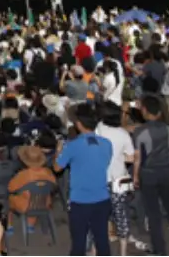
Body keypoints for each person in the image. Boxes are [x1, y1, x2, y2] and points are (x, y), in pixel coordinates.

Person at [132, 95, 169, 256]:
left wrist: (135, 177)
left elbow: (138, 158)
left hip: (148, 173)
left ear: (144, 111)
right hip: (166, 172)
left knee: (153, 214)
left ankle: (160, 249)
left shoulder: (140, 132)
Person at [56, 103, 114, 256]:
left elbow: (57, 168)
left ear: (79, 124)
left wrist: (58, 151)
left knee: (79, 243)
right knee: (102, 240)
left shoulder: (72, 146)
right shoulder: (107, 144)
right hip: (102, 198)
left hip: (80, 201)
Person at [94, 102, 136, 256]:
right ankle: (123, 252)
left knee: (99, 215)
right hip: (119, 180)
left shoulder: (98, 128)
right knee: (120, 215)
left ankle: (96, 250)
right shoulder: (123, 134)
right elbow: (131, 158)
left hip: (100, 179)